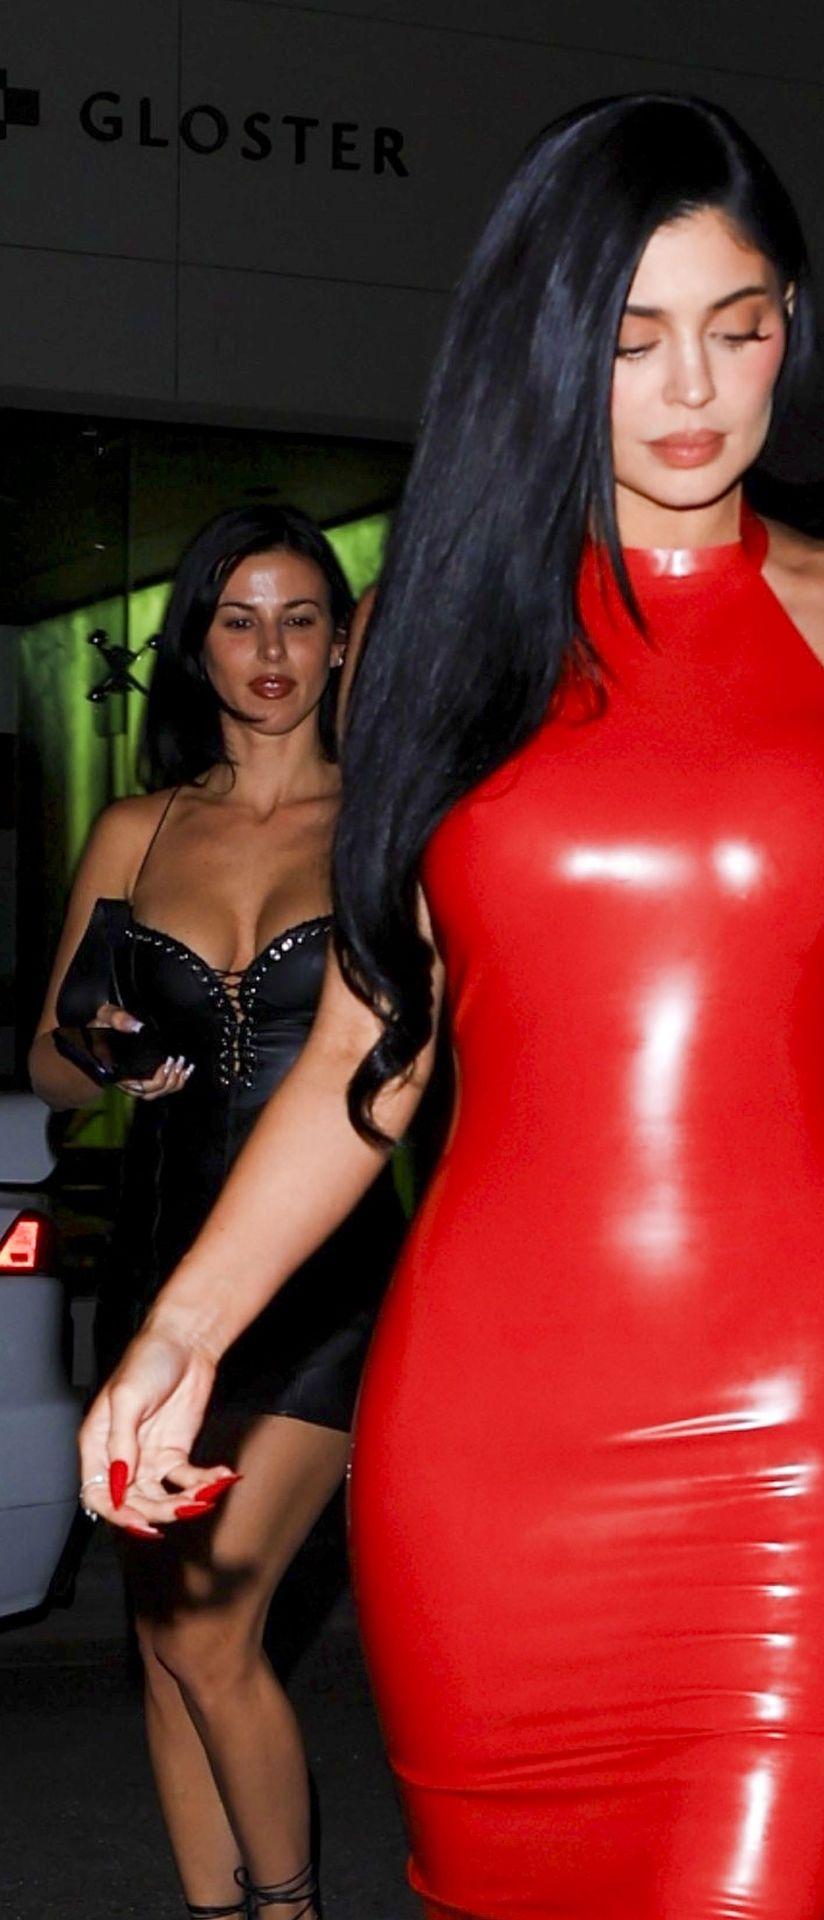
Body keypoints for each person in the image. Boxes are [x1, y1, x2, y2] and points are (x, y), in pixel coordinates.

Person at [78, 96, 824, 1920]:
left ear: (790, 329)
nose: (695, 389)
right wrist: (182, 1332)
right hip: (484, 1436)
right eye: (631, 340)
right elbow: (376, 1039)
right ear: (551, 349)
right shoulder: (447, 639)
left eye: (738, 327)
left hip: (801, 1437)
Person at [34, 505, 403, 1920]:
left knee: (210, 1632)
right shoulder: (139, 831)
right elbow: (50, 1062)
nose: (272, 649)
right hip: (158, 1267)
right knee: (162, 1634)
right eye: (240, 620)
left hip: (324, 1288)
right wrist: (105, 1051)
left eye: (301, 618)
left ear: (341, 644)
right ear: (198, 644)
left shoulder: (385, 829)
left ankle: (289, 1910)